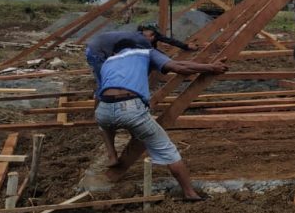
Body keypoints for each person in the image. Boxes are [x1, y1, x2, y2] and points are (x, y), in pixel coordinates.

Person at [95, 38, 228, 200]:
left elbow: (98, 93)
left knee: (104, 126)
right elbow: (179, 67)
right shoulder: (145, 52)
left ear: (117, 51)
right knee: (168, 151)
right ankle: (190, 193)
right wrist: (211, 67)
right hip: (130, 108)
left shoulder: (108, 62)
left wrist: (100, 116)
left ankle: (112, 155)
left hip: (104, 108)